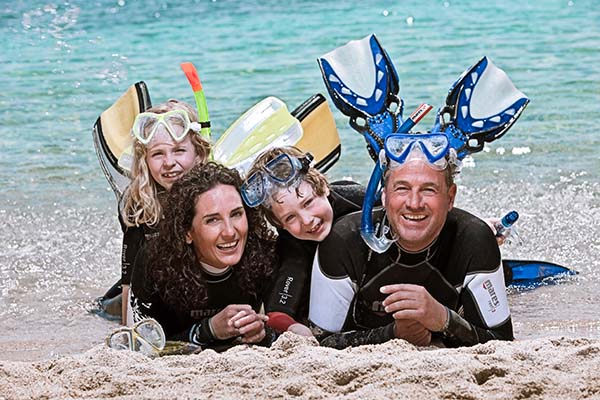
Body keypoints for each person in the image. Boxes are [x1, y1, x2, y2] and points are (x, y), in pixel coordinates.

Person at [308, 132, 514, 349]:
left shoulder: (473, 238)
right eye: (402, 188)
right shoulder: (345, 240)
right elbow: (321, 342)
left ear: (450, 197)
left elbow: (502, 341)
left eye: (428, 189)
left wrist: (443, 319)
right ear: (385, 195)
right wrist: (393, 333)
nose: (414, 203)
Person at [129, 162, 278, 350]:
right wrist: (208, 330)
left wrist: (261, 333)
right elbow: (141, 347)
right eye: (212, 220)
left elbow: (283, 331)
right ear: (187, 232)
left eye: (236, 214)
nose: (230, 232)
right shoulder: (154, 261)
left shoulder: (264, 254)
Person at [99, 99, 211, 325]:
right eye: (158, 154)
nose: (169, 162)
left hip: (193, 288)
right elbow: (129, 275)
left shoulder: (218, 196)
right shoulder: (139, 204)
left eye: (179, 150)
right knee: (106, 308)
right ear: (145, 161)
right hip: (143, 290)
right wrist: (127, 328)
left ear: (199, 153)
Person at [242, 147, 370, 336]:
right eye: (290, 218)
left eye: (308, 203)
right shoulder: (293, 245)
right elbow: (277, 313)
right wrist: (294, 328)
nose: (307, 220)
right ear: (280, 225)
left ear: (323, 188)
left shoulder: (362, 200)